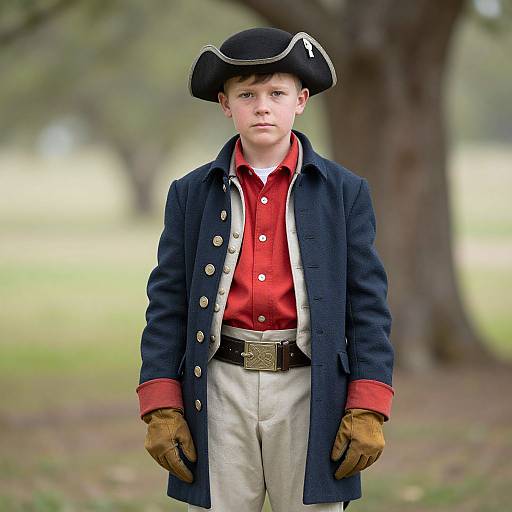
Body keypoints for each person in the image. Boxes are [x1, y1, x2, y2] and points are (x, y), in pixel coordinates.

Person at [136, 27, 395, 512]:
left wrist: (368, 403)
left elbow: (368, 305)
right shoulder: (189, 194)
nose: (262, 106)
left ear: (300, 101)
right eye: (247, 94)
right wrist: (160, 402)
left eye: (276, 93)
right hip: (217, 387)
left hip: (310, 388)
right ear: (224, 103)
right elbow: (166, 303)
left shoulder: (345, 192)